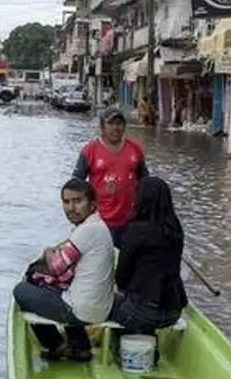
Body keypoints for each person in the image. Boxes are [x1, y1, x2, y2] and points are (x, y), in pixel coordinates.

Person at [13, 177, 115, 362]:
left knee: (22, 290)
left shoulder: (87, 230)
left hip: (84, 310)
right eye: (66, 202)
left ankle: (55, 344)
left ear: (92, 204)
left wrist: (48, 252)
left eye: (78, 201)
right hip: (98, 306)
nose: (71, 208)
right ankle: (79, 348)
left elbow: (56, 268)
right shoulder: (97, 226)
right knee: (59, 287)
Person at [108, 175, 189, 334]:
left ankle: (113, 346)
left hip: (142, 312)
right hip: (173, 312)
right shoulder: (175, 229)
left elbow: (122, 276)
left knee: (99, 305)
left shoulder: (137, 229)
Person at [71, 106, 149, 247]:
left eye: (119, 124)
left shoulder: (135, 149)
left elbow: (146, 183)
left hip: (130, 221)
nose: (115, 128)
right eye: (111, 124)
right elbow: (75, 186)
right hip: (100, 223)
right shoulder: (90, 150)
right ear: (102, 126)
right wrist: (79, 217)